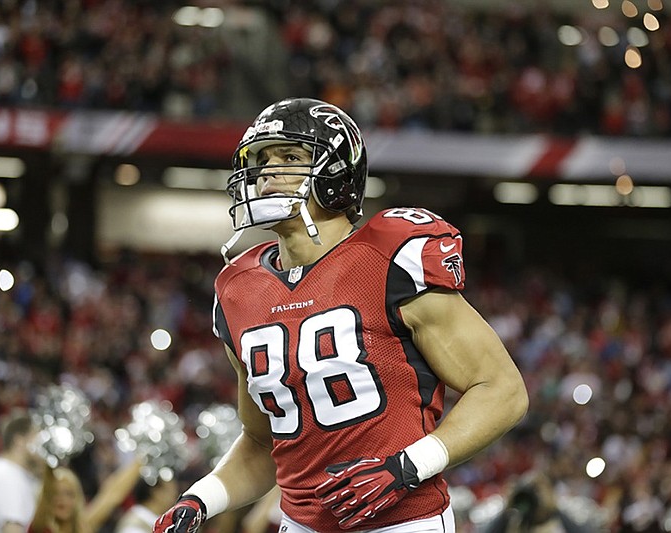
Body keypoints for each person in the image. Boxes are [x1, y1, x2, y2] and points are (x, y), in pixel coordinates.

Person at [153, 97, 529, 533]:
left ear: (336, 172)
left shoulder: (388, 258)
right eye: (260, 159)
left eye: (289, 156)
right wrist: (200, 499)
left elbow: (502, 390)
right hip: (299, 524)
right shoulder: (237, 289)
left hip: (403, 523)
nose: (267, 171)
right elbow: (262, 442)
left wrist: (407, 466)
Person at [0, 409, 42, 533]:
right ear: (19, 441)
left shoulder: (6, 470)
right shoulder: (7, 477)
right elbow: (12, 529)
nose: (41, 447)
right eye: (36, 438)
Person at [28, 458, 143, 533]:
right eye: (55, 493)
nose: (62, 500)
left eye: (69, 494)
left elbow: (111, 496)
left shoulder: (82, 526)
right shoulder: (38, 527)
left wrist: (141, 460)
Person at [114, 476, 180, 533]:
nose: (175, 494)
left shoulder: (161, 521)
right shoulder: (134, 527)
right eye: (170, 490)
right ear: (156, 492)